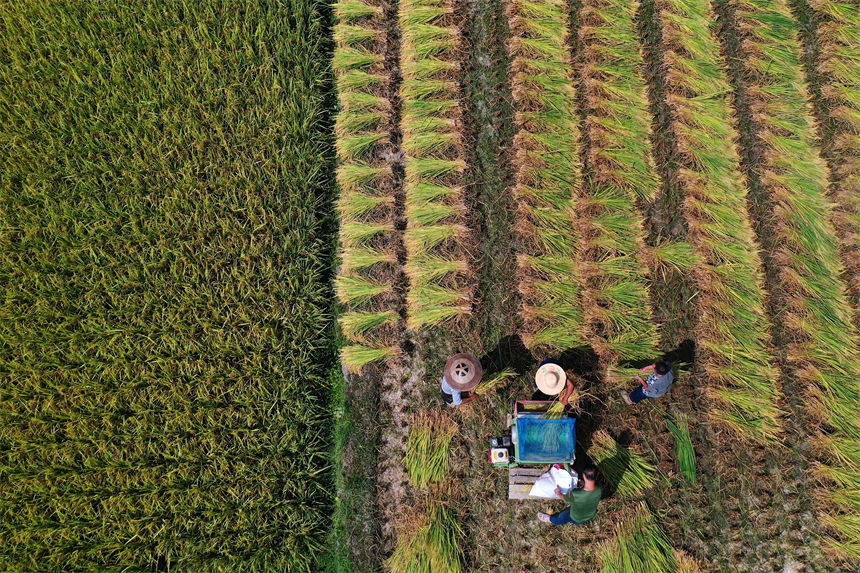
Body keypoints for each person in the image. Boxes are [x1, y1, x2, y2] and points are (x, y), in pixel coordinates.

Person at [537, 466, 602, 525]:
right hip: (589, 515)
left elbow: (564, 498)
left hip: (576, 517)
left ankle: (549, 519)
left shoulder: (576, 494)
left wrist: (559, 493)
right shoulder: (599, 488)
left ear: (584, 476)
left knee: (561, 518)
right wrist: (584, 484)